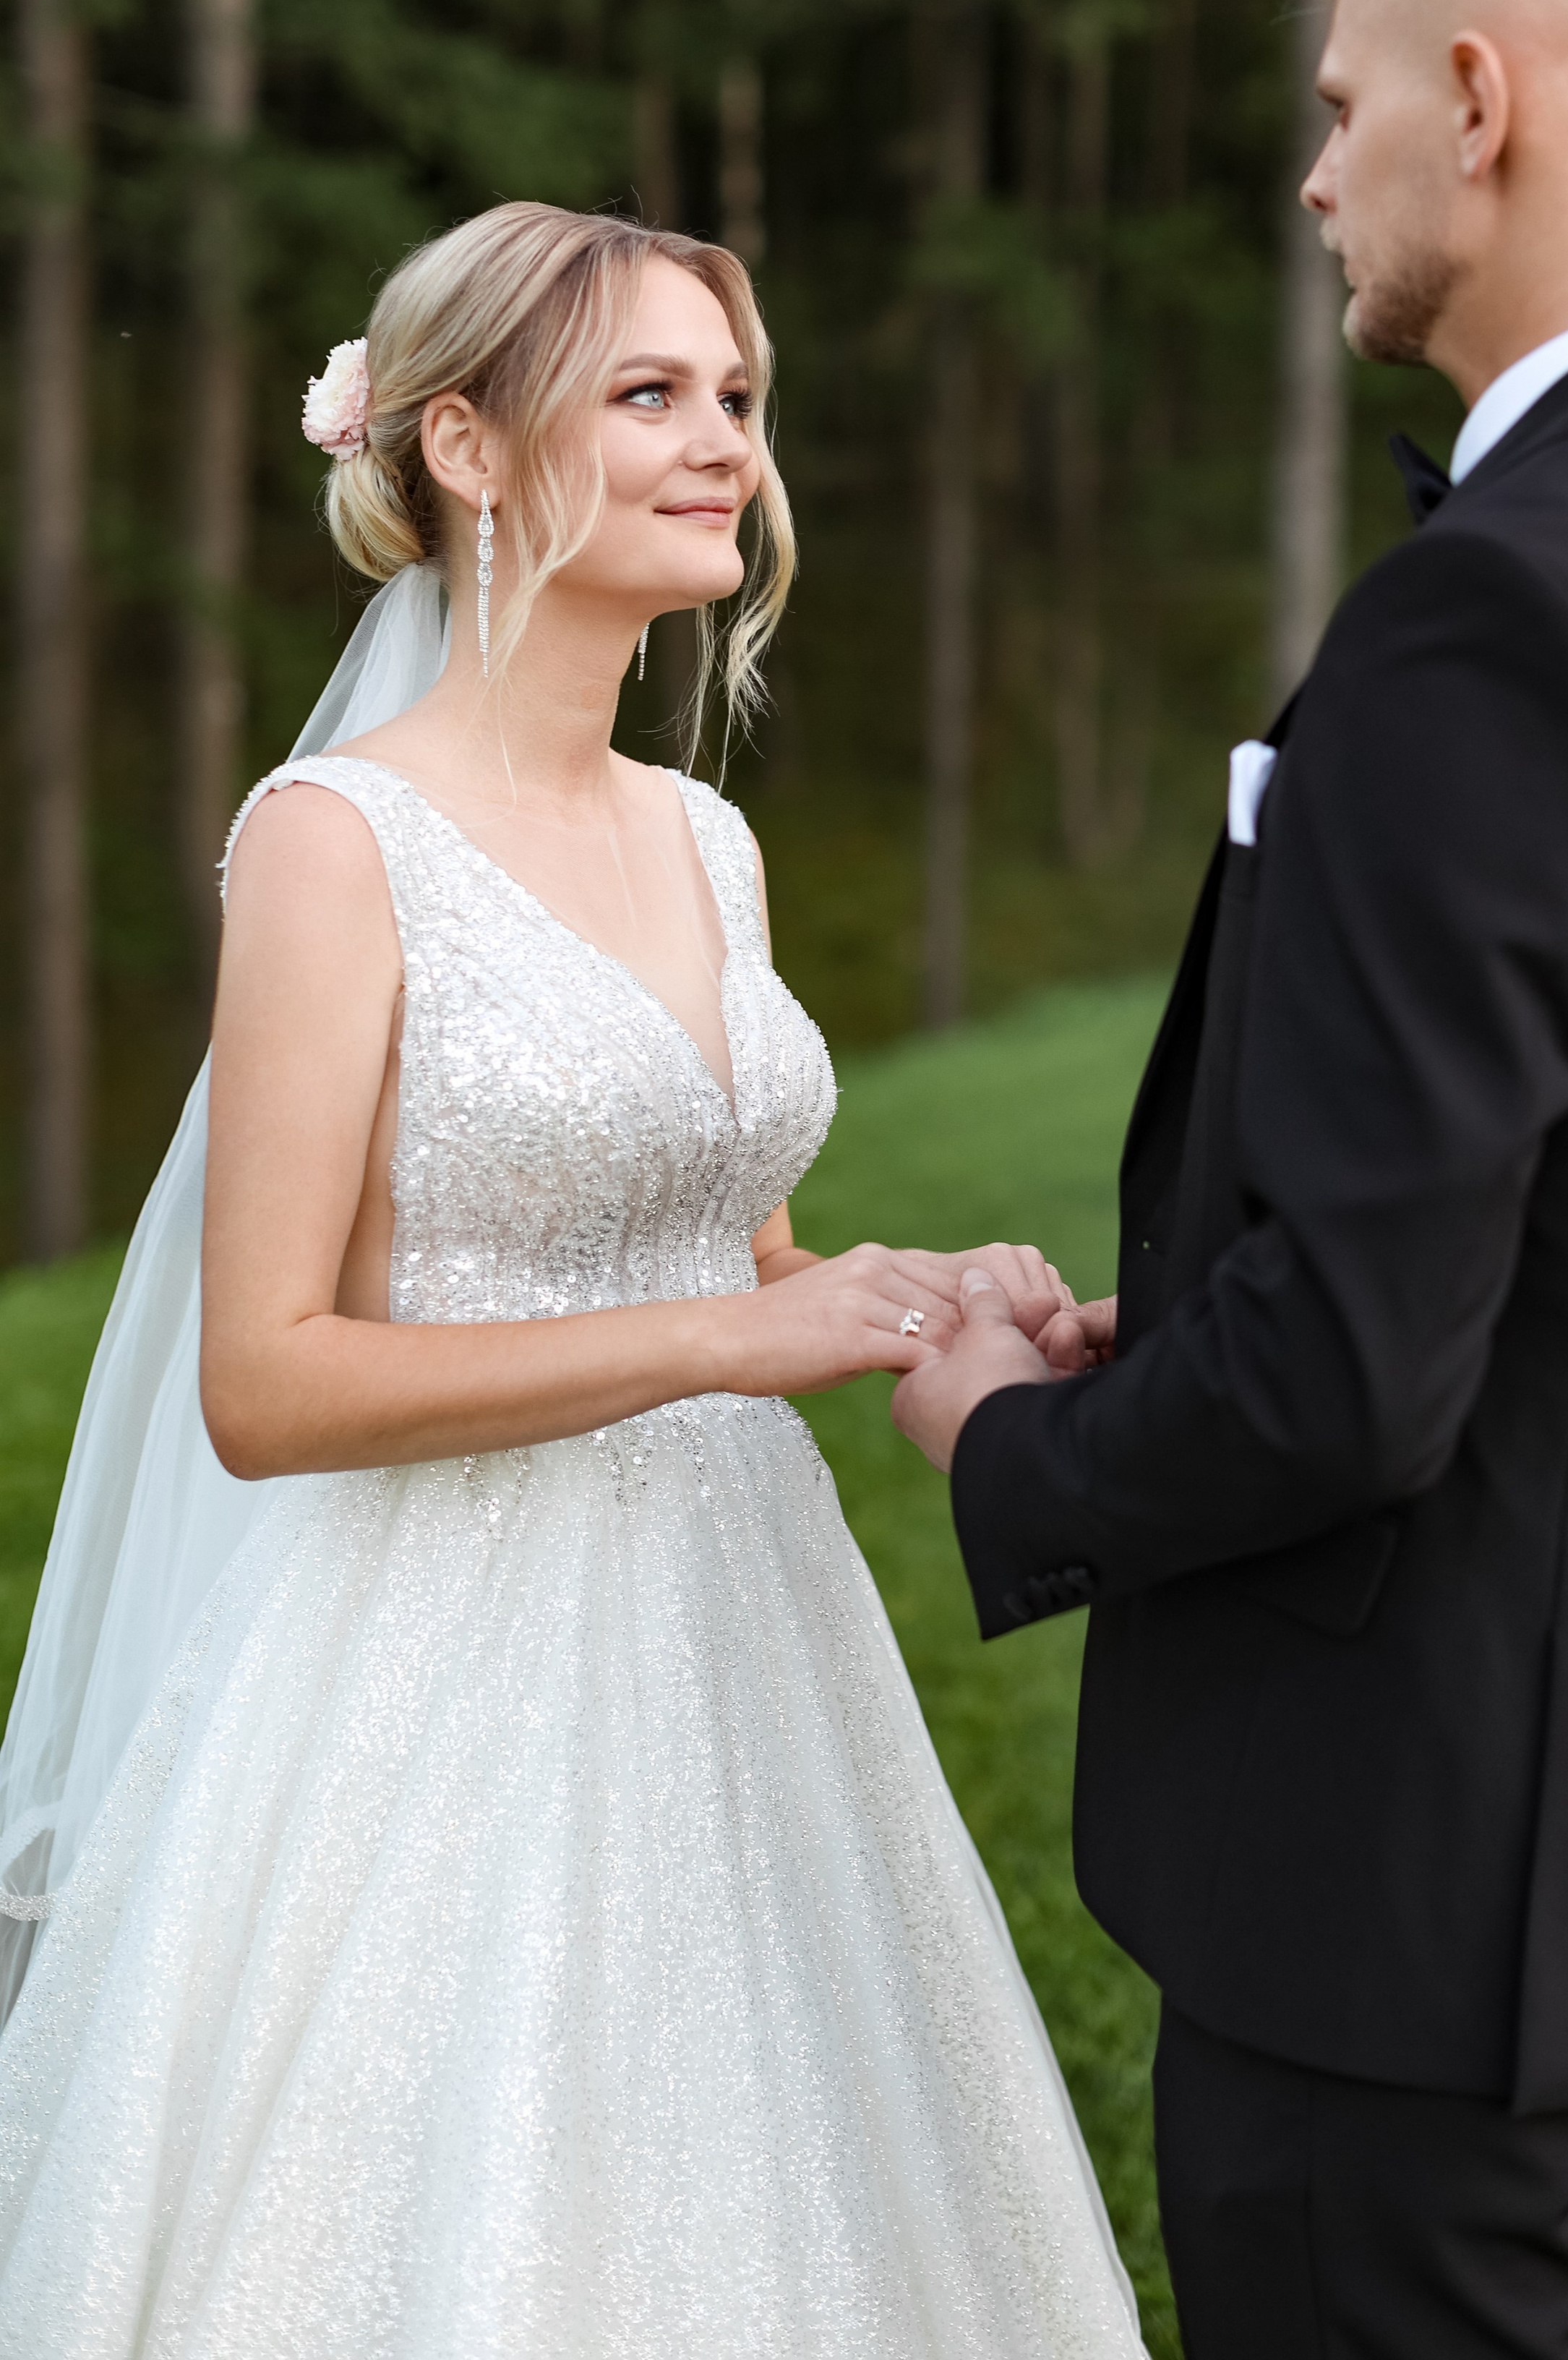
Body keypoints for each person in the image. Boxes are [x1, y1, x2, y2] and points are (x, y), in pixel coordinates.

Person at [0, 202, 1147, 2359]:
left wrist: (910, 1295)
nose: (725, 444)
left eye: (737, 396)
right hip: (426, 1667)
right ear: (463, 445)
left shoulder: (708, 837)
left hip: (740, 1630)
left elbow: (738, 1248)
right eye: (650, 394)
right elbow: (269, 1380)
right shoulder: (336, 840)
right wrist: (734, 1331)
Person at [896, 0, 1568, 2359]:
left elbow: (1349, 1371)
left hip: (1411, 1924)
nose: (1320, 177)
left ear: (1479, 99)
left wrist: (1014, 1439)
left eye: (1343, 109)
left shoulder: (1498, 618)